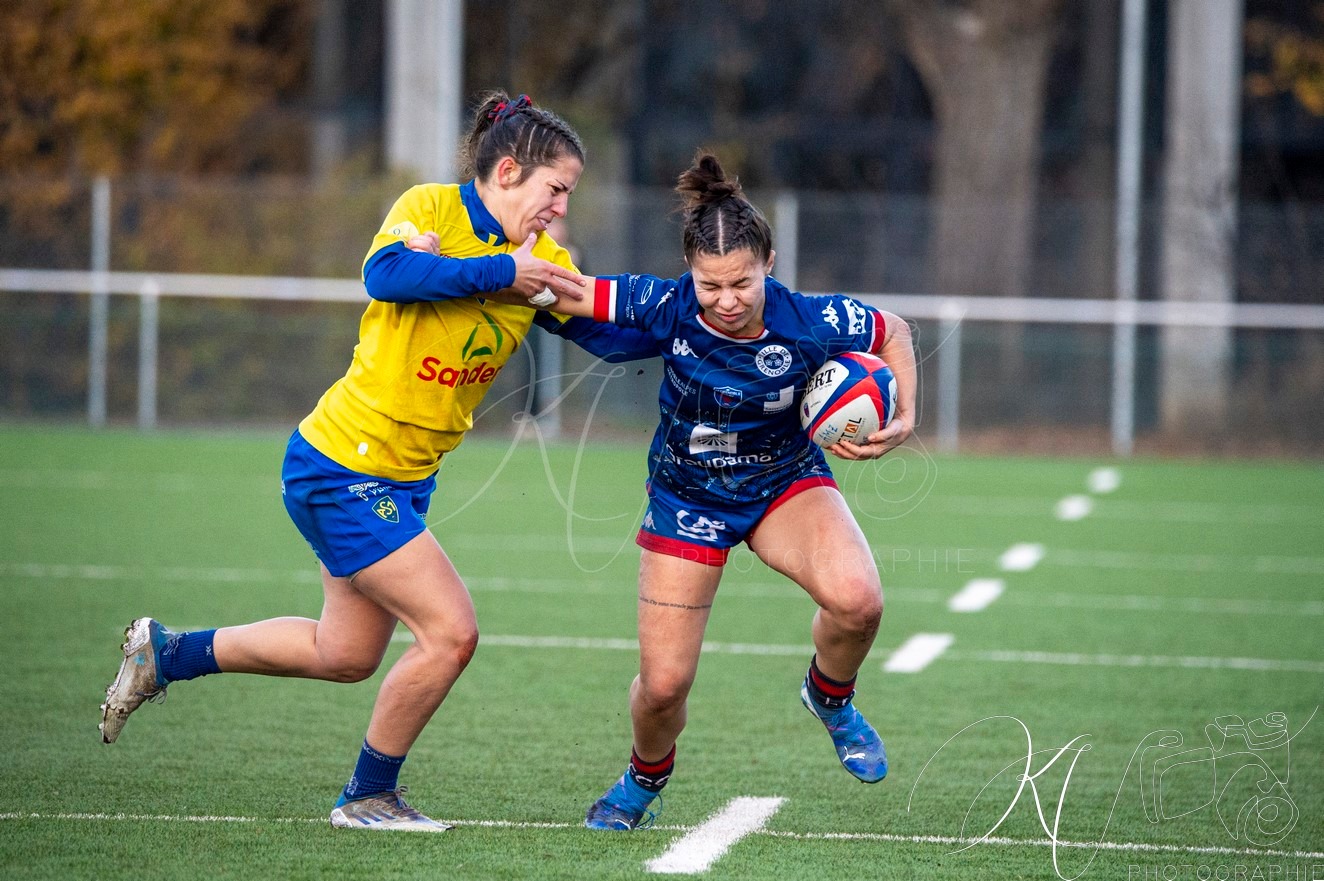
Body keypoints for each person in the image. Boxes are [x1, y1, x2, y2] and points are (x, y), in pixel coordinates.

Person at [98, 91, 655, 831]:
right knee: (452, 632)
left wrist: (711, 331)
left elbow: (609, 332)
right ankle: (366, 796)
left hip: (399, 477)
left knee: (346, 652)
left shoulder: (544, 262)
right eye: (556, 189)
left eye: (567, 195)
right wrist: (499, 274)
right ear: (511, 170)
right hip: (342, 465)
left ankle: (166, 654)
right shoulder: (431, 209)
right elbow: (387, 276)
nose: (559, 208)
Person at [532, 150, 917, 830]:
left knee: (860, 603)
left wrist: (907, 413)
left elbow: (895, 331)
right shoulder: (664, 305)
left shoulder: (813, 320)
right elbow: (570, 291)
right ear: (690, 274)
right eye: (710, 285)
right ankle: (643, 779)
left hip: (782, 482)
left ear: (767, 260)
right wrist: (504, 263)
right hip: (688, 498)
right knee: (663, 686)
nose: (727, 299)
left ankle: (830, 697)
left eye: (741, 281)